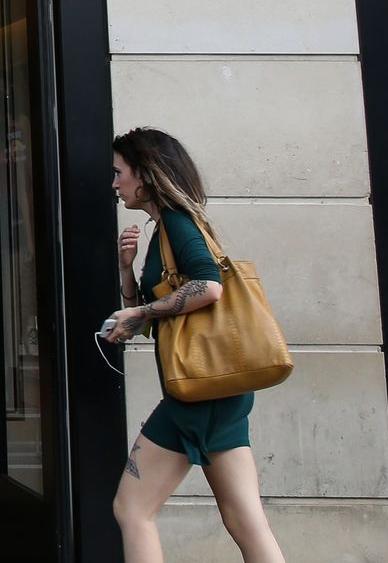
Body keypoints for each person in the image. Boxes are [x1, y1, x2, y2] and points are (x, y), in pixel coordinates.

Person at [105, 127, 283, 563]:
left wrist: (141, 313)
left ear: (144, 175)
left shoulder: (177, 223)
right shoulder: (169, 226)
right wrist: (128, 276)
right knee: (245, 520)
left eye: (119, 172)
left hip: (197, 394)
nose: (115, 184)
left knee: (132, 509)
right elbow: (152, 312)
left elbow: (208, 285)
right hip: (219, 393)